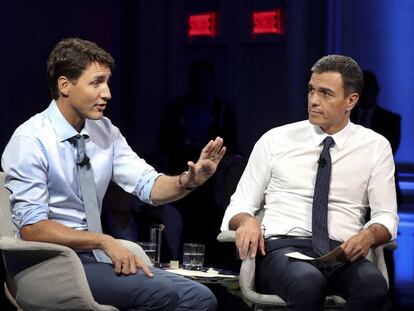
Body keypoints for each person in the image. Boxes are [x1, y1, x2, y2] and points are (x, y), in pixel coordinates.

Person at [1, 37, 225, 311]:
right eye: (96, 82)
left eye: (107, 82)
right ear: (64, 85)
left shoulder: (105, 132)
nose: (107, 93)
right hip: (50, 265)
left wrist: (188, 181)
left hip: (94, 259)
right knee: (159, 294)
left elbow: (149, 186)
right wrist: (104, 240)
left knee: (200, 298)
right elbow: (33, 228)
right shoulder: (30, 140)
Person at [221, 55, 398, 311]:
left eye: (326, 93)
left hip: (342, 254)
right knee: (307, 283)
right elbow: (239, 204)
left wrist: (369, 235)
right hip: (283, 250)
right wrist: (247, 221)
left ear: (351, 101)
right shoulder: (275, 140)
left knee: (374, 287)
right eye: (311, 90)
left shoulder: (375, 146)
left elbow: (386, 216)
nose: (314, 101)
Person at [159, 60, 240, 268]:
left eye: (205, 79)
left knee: (209, 229)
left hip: (212, 187)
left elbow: (233, 149)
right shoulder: (177, 109)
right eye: (196, 79)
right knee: (180, 226)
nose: (200, 83)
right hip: (181, 178)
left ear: (211, 81)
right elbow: (163, 145)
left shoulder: (222, 110)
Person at [351, 70, 402, 308]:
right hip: (351, 190)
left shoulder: (391, 119)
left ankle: (387, 296)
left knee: (383, 242)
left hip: (382, 186)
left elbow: (389, 152)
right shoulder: (347, 119)